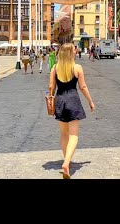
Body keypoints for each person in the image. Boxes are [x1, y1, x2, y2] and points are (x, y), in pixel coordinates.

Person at [48, 43, 95, 179]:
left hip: (60, 101)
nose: (76, 51)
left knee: (64, 133)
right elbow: (83, 86)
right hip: (73, 101)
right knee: (74, 135)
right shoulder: (77, 68)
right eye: (75, 50)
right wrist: (90, 101)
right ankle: (67, 163)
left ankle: (66, 160)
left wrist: (51, 98)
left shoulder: (55, 68)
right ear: (70, 53)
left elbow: (51, 87)